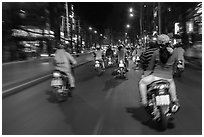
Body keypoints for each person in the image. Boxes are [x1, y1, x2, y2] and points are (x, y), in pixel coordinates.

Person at [139, 34, 180, 110]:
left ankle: (144, 101)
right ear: (169, 42)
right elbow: (175, 66)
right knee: (172, 85)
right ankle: (174, 100)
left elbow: (150, 68)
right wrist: (172, 73)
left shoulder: (156, 52)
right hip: (168, 78)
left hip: (155, 77)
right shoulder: (175, 53)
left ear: (158, 43)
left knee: (142, 82)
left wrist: (144, 75)